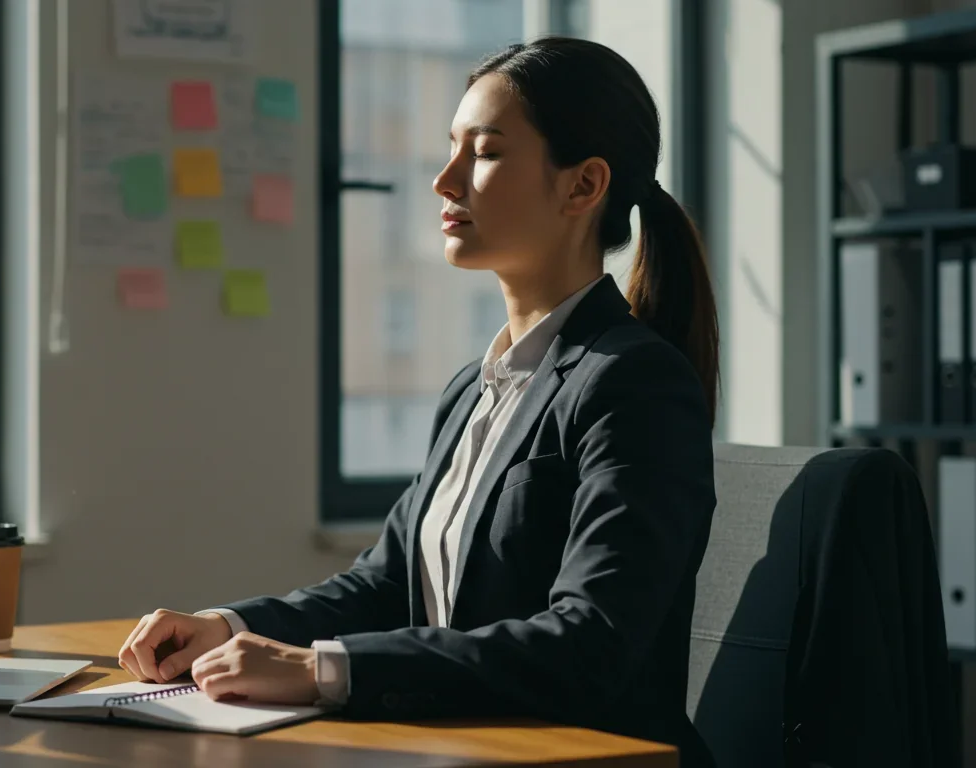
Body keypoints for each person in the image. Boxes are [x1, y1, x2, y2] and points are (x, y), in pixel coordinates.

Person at [119, 36, 719, 768]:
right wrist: (226, 624)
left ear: (582, 186)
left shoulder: (633, 384)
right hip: (453, 746)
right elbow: (386, 583)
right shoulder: (475, 387)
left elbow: (588, 643)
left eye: (486, 152)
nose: (444, 179)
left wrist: (322, 671)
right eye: (451, 148)